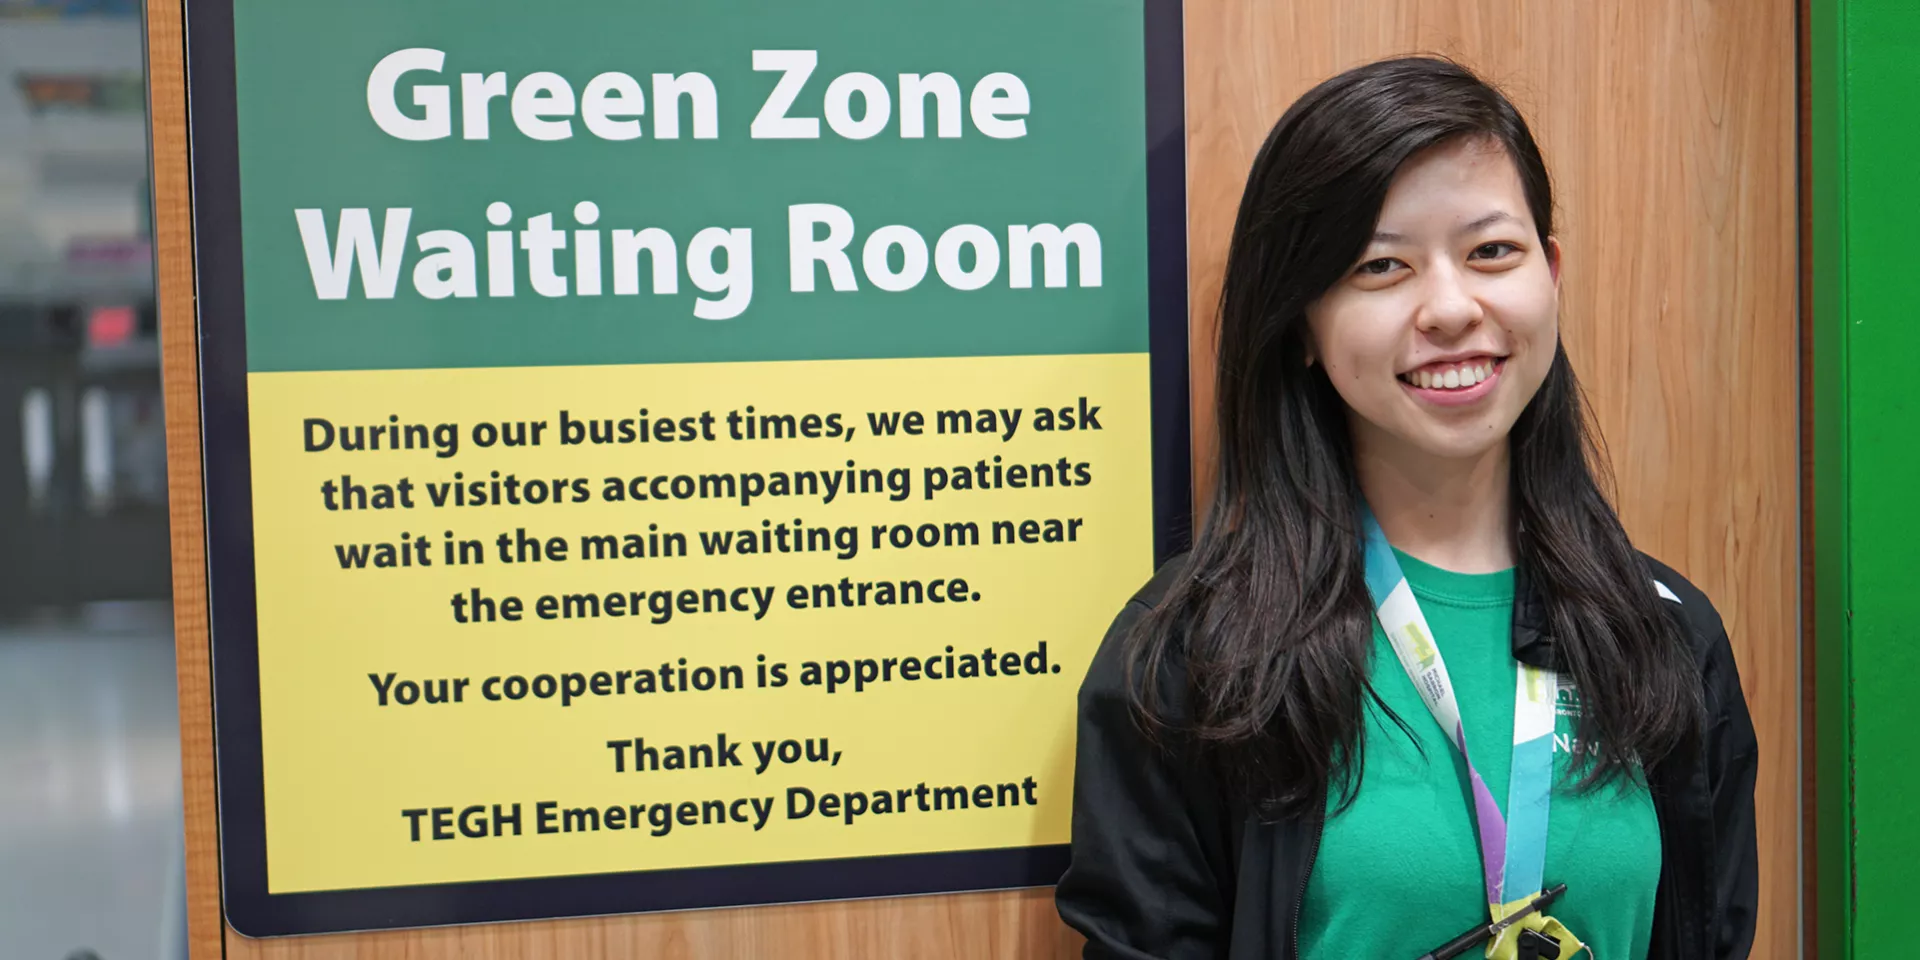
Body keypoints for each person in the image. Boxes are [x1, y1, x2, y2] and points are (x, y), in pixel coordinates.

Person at [1055, 57, 1758, 960]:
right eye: (1382, 266)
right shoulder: (1193, 655)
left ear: (1551, 274)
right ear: (1302, 322)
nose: (1451, 308)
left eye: (1491, 252)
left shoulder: (1666, 634)